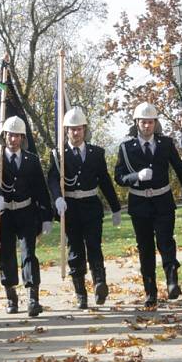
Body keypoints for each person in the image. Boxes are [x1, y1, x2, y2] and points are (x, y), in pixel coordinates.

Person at [115, 102, 182, 307]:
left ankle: (171, 281)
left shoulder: (165, 144)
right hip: (140, 203)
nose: (147, 126)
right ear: (137, 123)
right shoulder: (126, 147)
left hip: (162, 201)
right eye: (143, 122)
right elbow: (119, 177)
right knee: (145, 248)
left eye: (150, 122)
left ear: (155, 123)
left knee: (166, 242)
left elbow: (179, 168)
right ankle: (150, 290)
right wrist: (136, 176)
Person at [48, 107, 121, 309]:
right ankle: (80, 293)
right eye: (72, 129)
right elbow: (53, 179)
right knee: (76, 251)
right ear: (66, 131)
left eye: (79, 129)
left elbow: (104, 181)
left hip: (91, 206)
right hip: (70, 207)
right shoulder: (58, 155)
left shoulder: (96, 153)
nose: (76, 133)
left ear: (84, 129)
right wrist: (57, 198)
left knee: (94, 246)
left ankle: (99, 283)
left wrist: (115, 207)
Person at [0, 116, 53, 317]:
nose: (13, 139)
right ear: (4, 136)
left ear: (23, 137)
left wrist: (47, 215)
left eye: (17, 136)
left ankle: (33, 298)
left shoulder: (31, 159)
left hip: (26, 212)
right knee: (6, 254)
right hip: (4, 213)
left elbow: (41, 188)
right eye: (9, 135)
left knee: (28, 253)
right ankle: (11, 296)